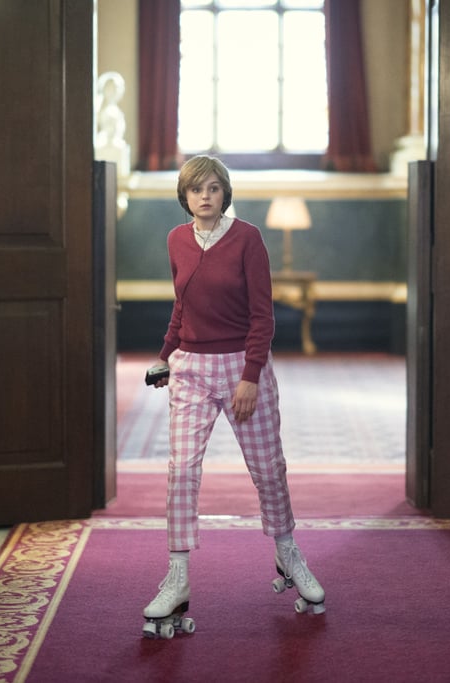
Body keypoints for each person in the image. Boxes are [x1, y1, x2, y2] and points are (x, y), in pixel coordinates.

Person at [142, 155, 325, 636]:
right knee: (181, 469)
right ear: (184, 196)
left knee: (268, 468)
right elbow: (181, 306)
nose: (205, 196)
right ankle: (177, 575)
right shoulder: (176, 240)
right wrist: (164, 355)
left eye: (214, 188)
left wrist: (250, 375)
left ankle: (288, 554)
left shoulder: (248, 239)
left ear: (225, 193)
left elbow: (263, 316)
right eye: (196, 189)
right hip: (191, 369)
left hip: (244, 368)